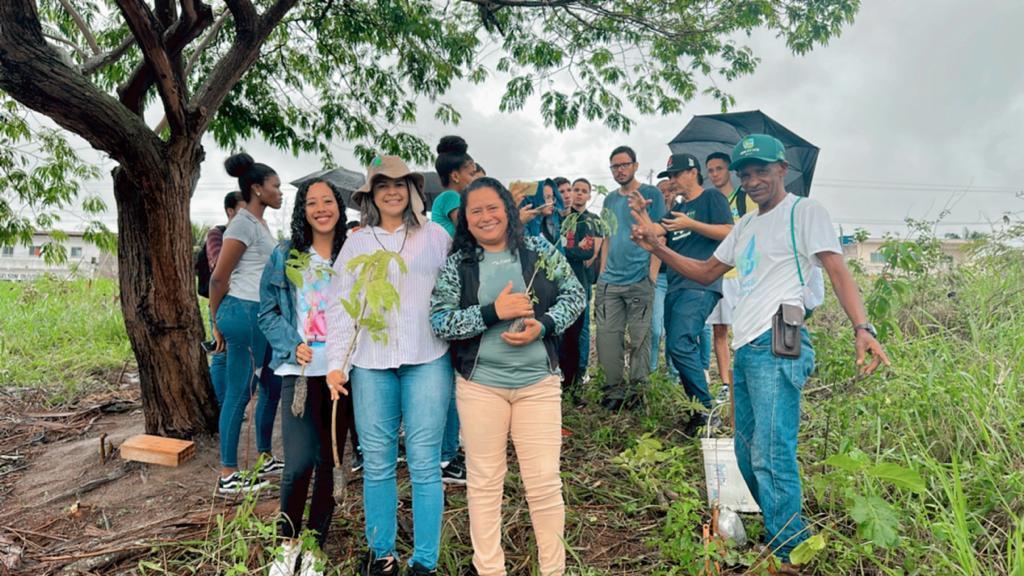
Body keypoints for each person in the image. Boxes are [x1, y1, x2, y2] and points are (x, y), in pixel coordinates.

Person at [630, 134, 889, 572]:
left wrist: (862, 327)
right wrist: (658, 247)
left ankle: (789, 554)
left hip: (778, 343)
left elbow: (837, 269)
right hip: (746, 348)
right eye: (745, 174)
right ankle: (785, 535)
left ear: (782, 169)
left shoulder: (804, 212)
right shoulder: (745, 226)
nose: (752, 181)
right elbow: (705, 271)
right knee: (747, 455)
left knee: (772, 454)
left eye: (761, 171)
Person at [430, 177, 584, 576]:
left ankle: (553, 570)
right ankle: (490, 570)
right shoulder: (459, 264)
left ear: (508, 211)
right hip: (481, 387)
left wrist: (545, 325)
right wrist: (492, 312)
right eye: (475, 211)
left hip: (538, 385)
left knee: (544, 482)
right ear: (465, 219)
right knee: (484, 483)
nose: (486, 217)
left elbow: (575, 295)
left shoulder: (538, 250)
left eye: (492, 208)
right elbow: (441, 321)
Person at [326, 156, 453, 576]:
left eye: (400, 185)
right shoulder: (358, 243)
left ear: (413, 191)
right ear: (371, 196)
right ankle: (382, 554)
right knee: (378, 463)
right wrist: (336, 364)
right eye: (382, 186)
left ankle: (424, 561)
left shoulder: (436, 237)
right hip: (371, 363)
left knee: (424, 462)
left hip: (427, 358)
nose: (392, 192)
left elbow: (453, 292)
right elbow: (341, 307)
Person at [259, 179, 354, 576]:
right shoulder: (287, 255)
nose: (321, 209)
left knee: (329, 463)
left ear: (339, 207)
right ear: (303, 211)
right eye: (312, 203)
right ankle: (287, 544)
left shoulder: (353, 253)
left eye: (328, 201)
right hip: (299, 373)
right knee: (298, 464)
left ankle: (314, 544)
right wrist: (290, 343)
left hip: (341, 374)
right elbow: (267, 312)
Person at [634, 154, 733, 434]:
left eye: (677, 175)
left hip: (701, 283)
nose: (672, 181)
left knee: (680, 342)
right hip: (676, 284)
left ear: (693, 172)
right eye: (669, 176)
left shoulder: (711, 198)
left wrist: (692, 225)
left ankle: (705, 411)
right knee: (676, 347)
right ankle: (697, 410)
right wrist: (641, 215)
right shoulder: (677, 208)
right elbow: (655, 230)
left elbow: (729, 231)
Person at [208, 153, 284, 495]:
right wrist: (216, 321)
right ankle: (228, 473)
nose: (280, 192)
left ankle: (264, 457)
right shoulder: (241, 223)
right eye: (275, 186)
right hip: (243, 312)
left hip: (262, 315)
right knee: (239, 393)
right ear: (256, 189)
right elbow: (218, 278)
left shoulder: (259, 224)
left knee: (272, 384)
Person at [596, 145, 666, 410]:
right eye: (615, 166)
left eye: (624, 165)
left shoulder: (651, 194)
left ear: (635, 166)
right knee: (607, 338)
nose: (619, 170)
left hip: (639, 278)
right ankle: (613, 391)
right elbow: (607, 237)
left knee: (640, 339)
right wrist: (602, 274)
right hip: (610, 281)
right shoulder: (609, 200)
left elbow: (660, 233)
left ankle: (637, 393)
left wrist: (652, 276)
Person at [428, 135, 477, 485]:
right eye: (472, 172)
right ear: (457, 175)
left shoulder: (448, 198)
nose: (474, 177)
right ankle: (445, 456)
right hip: (449, 292)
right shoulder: (452, 198)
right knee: (449, 377)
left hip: (452, 287)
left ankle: (449, 447)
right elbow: (470, 231)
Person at [704, 151, 748, 404]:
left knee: (743, 328)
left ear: (729, 170)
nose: (714, 174)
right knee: (719, 330)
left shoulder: (744, 198)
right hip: (718, 271)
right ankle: (725, 383)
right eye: (710, 170)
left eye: (719, 169)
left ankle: (743, 377)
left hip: (742, 273)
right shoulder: (710, 200)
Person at [559, 178, 602, 398]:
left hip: (581, 281)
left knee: (581, 330)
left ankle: (579, 374)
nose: (576, 194)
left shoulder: (590, 221)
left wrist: (563, 250)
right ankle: (561, 377)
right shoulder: (559, 219)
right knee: (560, 331)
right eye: (573, 190)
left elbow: (588, 252)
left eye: (582, 191)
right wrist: (571, 249)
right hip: (558, 284)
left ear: (588, 195)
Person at [205, 191, 245, 407]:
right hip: (222, 302)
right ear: (230, 211)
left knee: (239, 355)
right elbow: (219, 266)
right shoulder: (216, 234)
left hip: (245, 302)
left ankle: (233, 402)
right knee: (221, 353)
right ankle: (222, 404)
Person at [648, 179, 678, 378]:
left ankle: (673, 373)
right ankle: (651, 371)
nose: (666, 194)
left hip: (677, 277)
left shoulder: (682, 214)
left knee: (674, 328)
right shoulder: (652, 217)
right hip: (657, 278)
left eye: (670, 190)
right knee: (656, 329)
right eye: (662, 191)